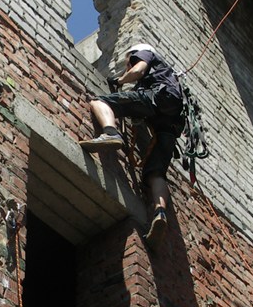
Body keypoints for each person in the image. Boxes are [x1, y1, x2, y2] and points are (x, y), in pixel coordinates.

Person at [79, 43, 185, 248]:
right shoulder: (168, 78)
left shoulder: (144, 53)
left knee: (100, 102)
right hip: (170, 125)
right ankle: (160, 212)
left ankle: (110, 133)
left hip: (158, 98)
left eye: (127, 63)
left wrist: (119, 80)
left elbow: (138, 70)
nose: (128, 66)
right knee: (156, 174)